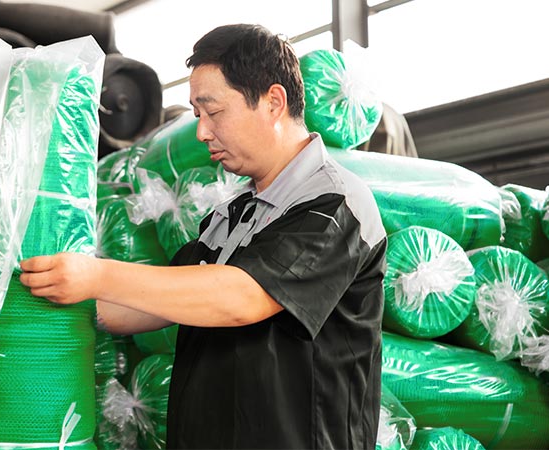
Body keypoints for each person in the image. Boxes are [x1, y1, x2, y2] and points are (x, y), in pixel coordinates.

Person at [20, 24, 386, 450]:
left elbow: (242, 297)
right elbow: (152, 304)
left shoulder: (335, 205)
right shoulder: (233, 214)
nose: (202, 133)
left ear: (273, 102)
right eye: (197, 116)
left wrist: (96, 275)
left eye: (214, 112)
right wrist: (44, 291)